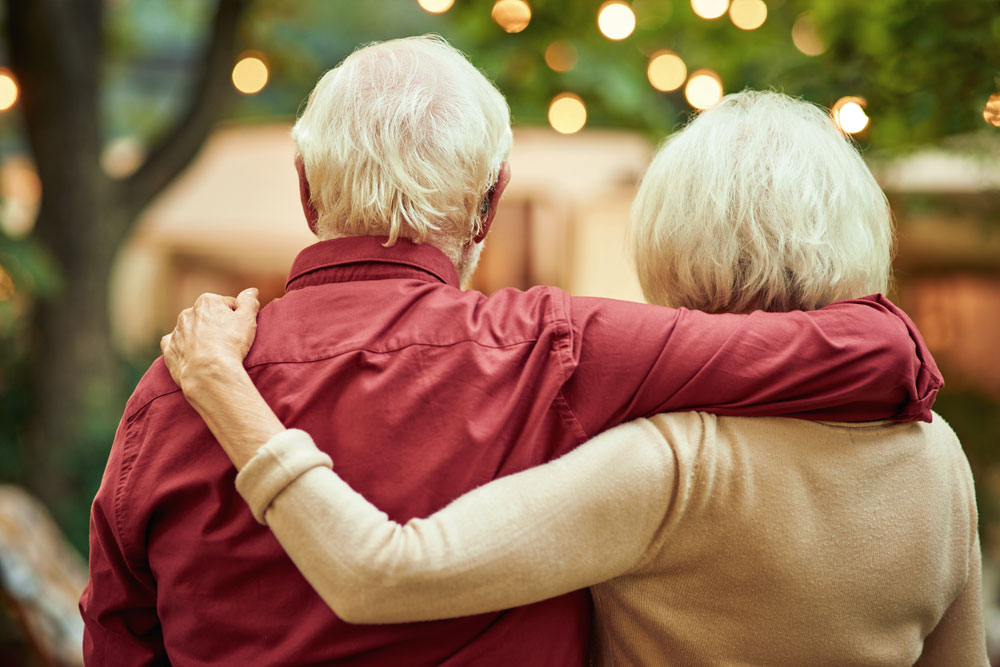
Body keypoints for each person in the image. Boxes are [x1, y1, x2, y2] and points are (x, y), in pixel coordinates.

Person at [83, 33, 940, 666]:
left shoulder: (181, 384)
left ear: (307, 193)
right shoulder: (556, 348)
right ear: (491, 203)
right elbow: (871, 356)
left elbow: (117, 636)